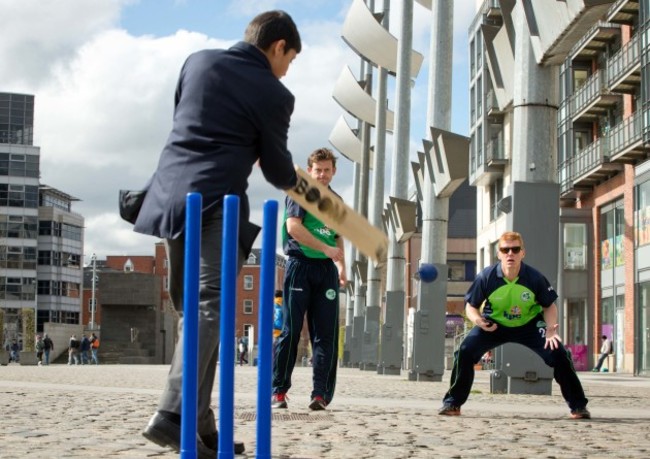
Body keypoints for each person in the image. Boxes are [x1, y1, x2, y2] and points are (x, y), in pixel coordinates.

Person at [133, 10, 301, 458]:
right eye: (290, 59)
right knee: (211, 307)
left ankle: (202, 425)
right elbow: (279, 169)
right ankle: (172, 414)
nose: (287, 69)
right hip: (216, 204)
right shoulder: (274, 93)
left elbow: (184, 123)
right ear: (278, 45)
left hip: (170, 196)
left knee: (195, 309)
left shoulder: (197, 61)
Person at [438, 231, 591, 420]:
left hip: (529, 325)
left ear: (522, 253)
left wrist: (550, 330)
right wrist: (478, 321)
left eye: (515, 249)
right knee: (465, 351)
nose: (510, 253)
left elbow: (549, 305)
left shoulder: (534, 278)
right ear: (499, 253)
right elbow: (471, 306)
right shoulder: (486, 277)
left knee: (559, 353)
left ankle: (578, 407)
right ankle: (453, 403)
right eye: (505, 249)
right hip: (493, 325)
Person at [272, 147, 346, 411]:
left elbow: (337, 236)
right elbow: (294, 227)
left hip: (326, 271)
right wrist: (325, 248)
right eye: (318, 170)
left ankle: (320, 395)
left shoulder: (336, 201)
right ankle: (279, 391)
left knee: (325, 335)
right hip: (300, 266)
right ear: (310, 170)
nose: (323, 175)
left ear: (334, 172)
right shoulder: (300, 192)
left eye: (327, 170)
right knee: (291, 332)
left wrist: (340, 266)